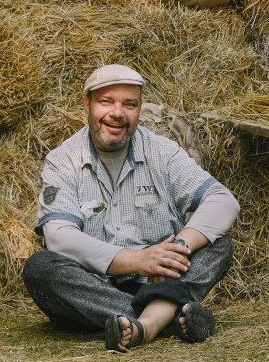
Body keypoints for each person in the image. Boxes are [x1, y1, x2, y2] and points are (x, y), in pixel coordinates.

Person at [22, 64, 240, 352]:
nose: (117, 113)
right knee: (40, 269)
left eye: (130, 104)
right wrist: (137, 260)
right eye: (106, 101)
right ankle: (168, 318)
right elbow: (59, 237)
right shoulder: (63, 161)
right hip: (95, 289)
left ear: (139, 109)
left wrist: (177, 249)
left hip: (158, 281)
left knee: (219, 244)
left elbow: (223, 200)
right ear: (86, 104)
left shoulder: (162, 151)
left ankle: (140, 326)